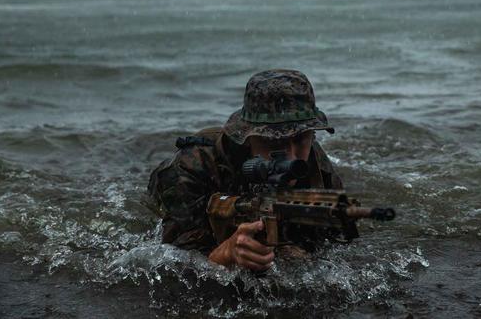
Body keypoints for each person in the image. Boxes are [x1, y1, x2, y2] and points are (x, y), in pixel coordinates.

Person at [147, 69, 343, 271]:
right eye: (276, 141)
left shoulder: (315, 164)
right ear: (248, 137)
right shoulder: (190, 169)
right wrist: (225, 254)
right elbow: (170, 265)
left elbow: (336, 242)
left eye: (301, 138)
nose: (292, 157)